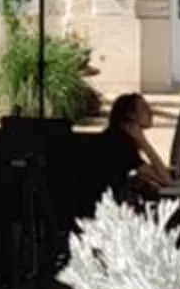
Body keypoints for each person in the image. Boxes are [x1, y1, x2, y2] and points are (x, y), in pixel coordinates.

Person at [72, 91, 174, 220]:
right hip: (101, 210)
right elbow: (165, 180)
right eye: (144, 108)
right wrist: (144, 143)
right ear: (131, 115)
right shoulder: (120, 145)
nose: (150, 112)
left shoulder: (113, 138)